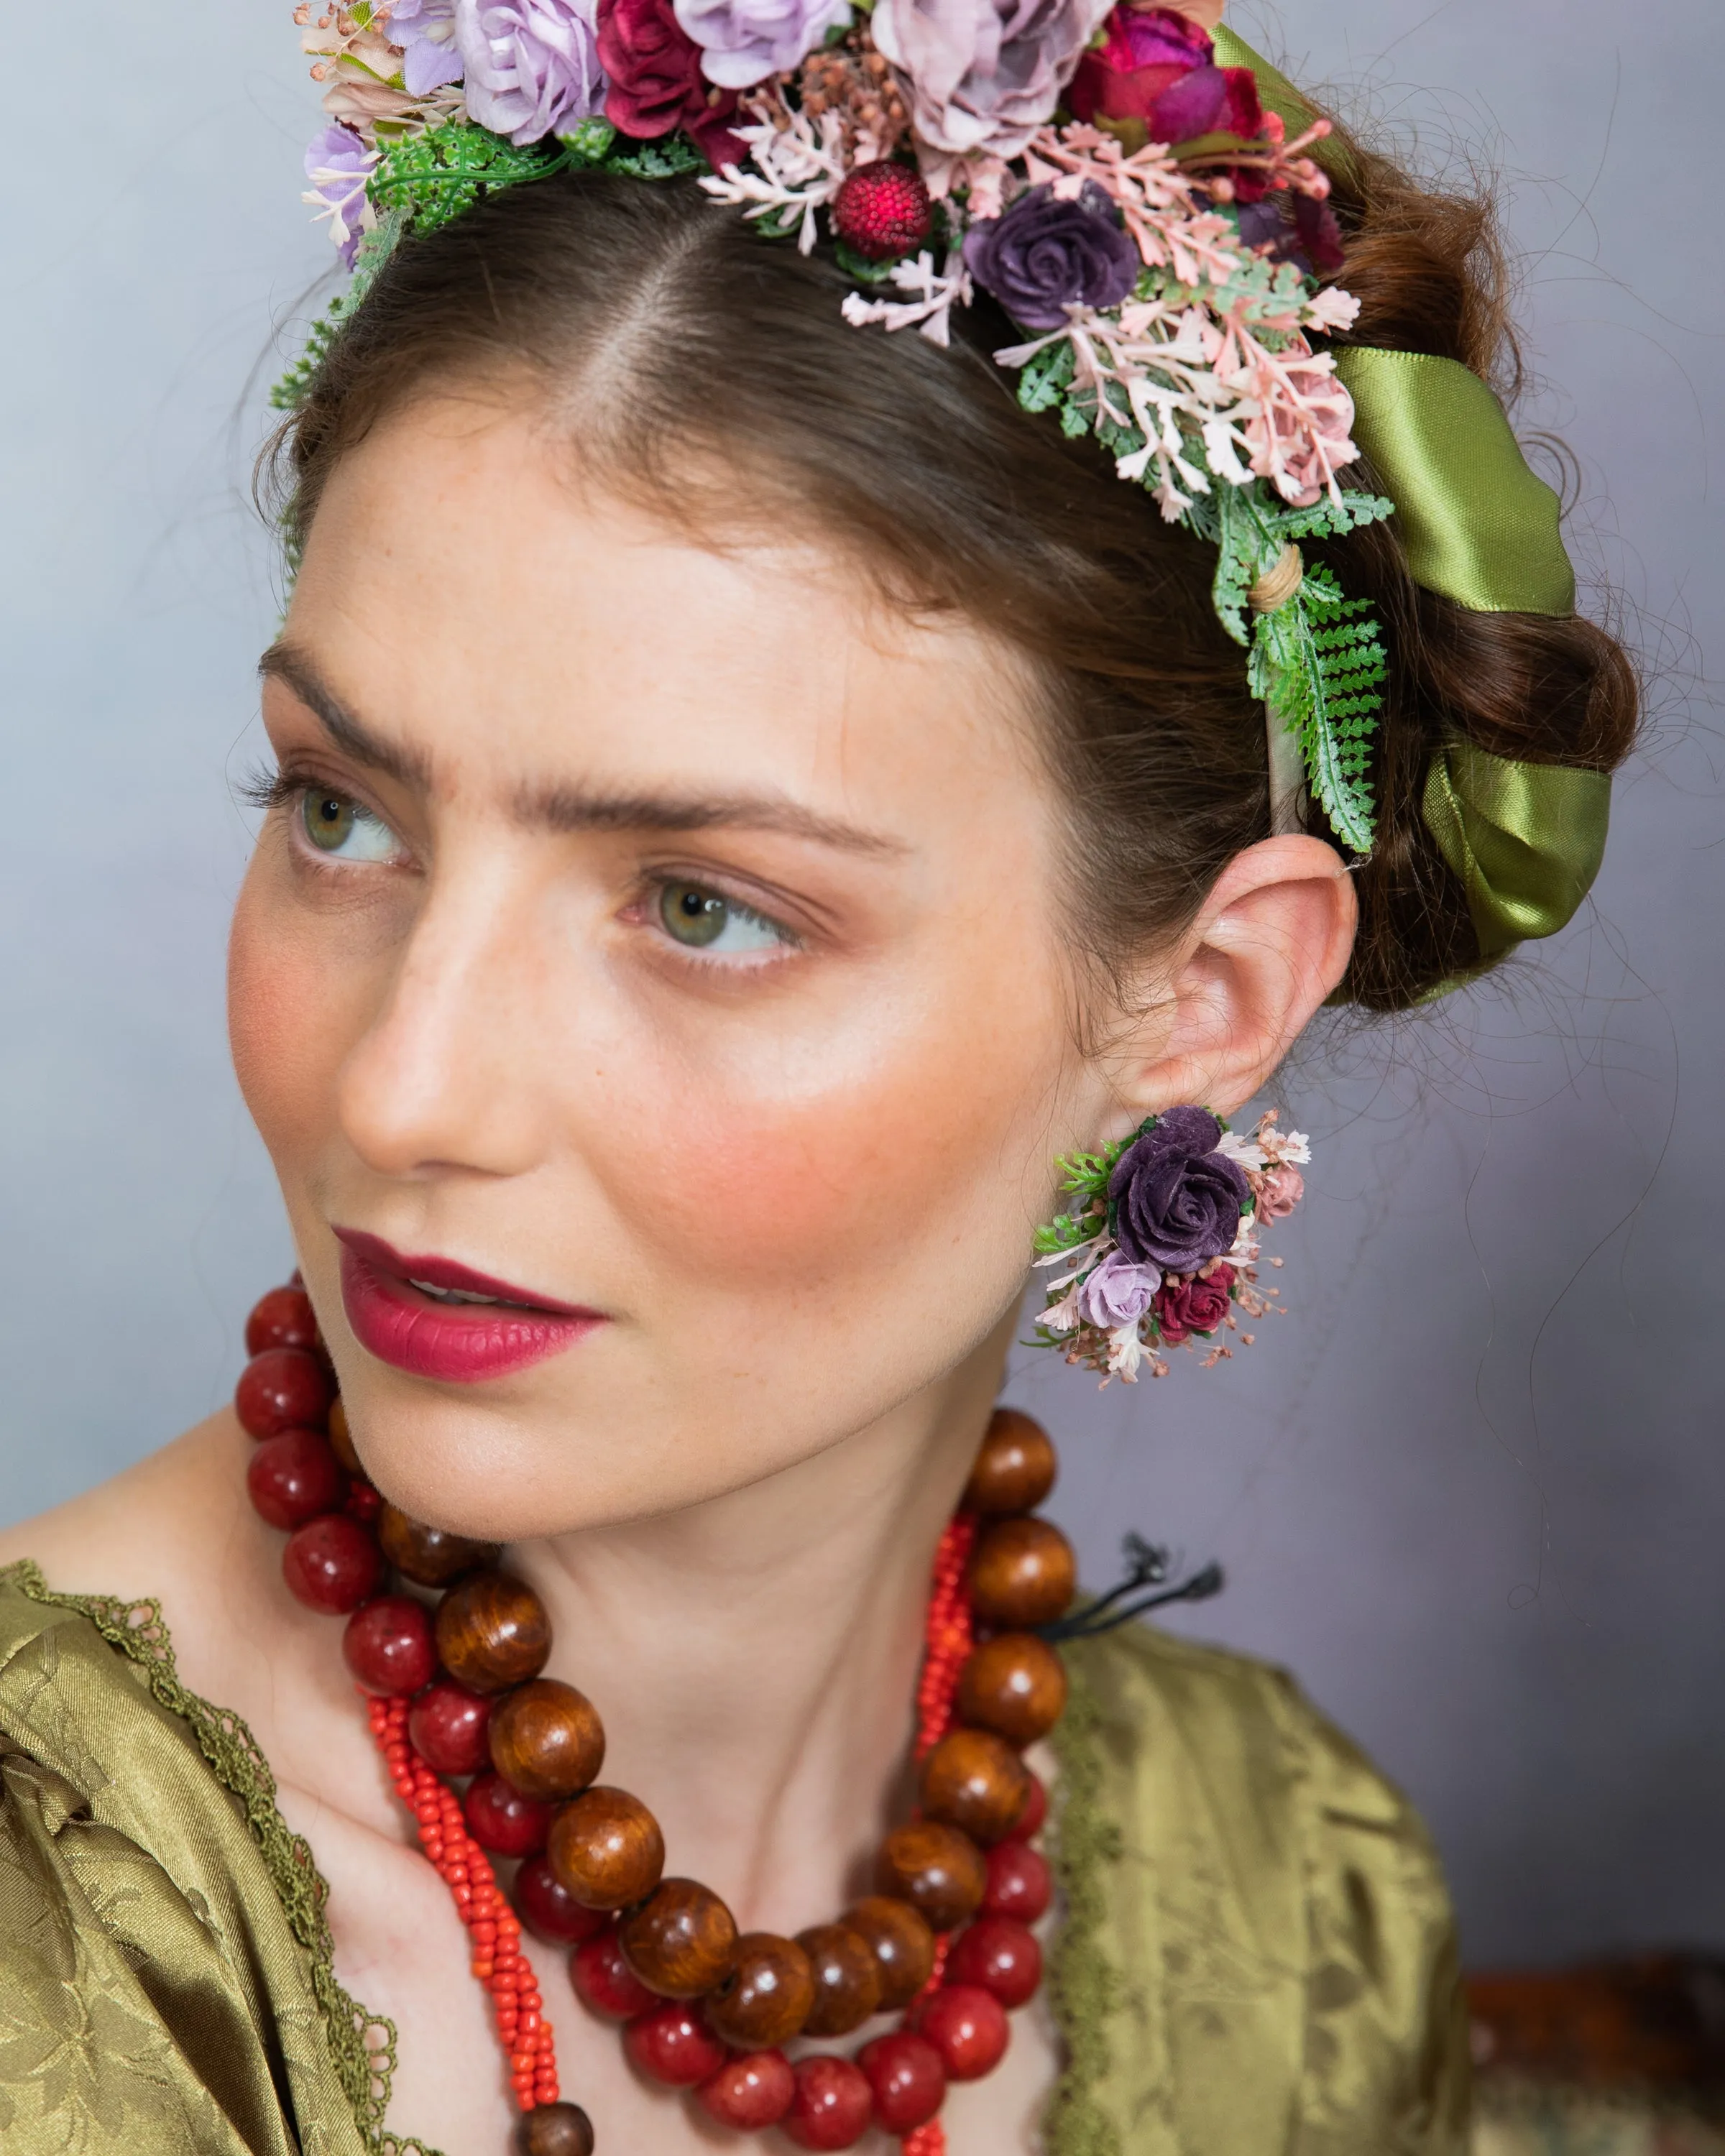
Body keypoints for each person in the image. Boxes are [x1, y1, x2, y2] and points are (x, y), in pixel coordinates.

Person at [0, 1, 1636, 2150]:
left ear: (1202, 1005)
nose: (403, 1096)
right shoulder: (63, 1934)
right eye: (342, 816)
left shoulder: (1281, 1895)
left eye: (703, 907)